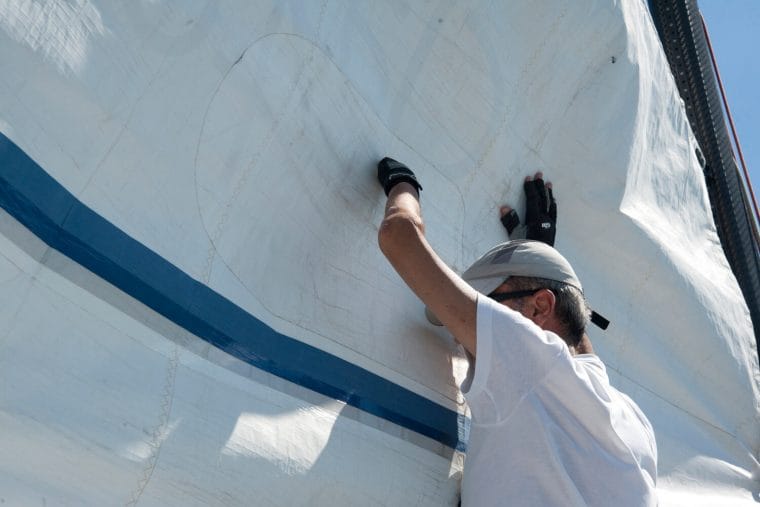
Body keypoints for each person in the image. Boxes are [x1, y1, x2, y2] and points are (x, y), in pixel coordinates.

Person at [375, 157, 657, 506]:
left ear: (541, 307)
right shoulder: (632, 419)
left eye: (488, 303)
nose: (457, 336)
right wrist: (543, 256)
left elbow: (398, 234)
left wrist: (402, 181)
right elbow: (576, 343)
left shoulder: (530, 363)